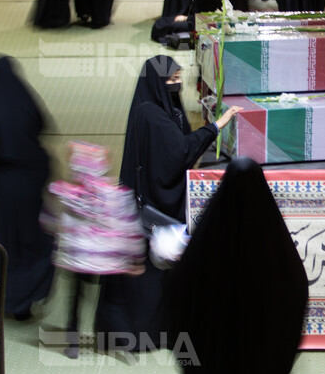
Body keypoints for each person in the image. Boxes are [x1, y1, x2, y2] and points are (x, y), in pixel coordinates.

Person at [168, 157, 309, 374]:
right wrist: (279, 358)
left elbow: (178, 303)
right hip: (260, 371)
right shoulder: (274, 251)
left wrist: (189, 363)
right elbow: (295, 297)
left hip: (213, 370)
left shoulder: (208, 246)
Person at [94, 57, 240, 352]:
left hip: (157, 200)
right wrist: (215, 127)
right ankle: (141, 334)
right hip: (153, 206)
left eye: (178, 78)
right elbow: (179, 152)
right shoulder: (151, 114)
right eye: (171, 79)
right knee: (152, 271)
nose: (177, 84)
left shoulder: (163, 109)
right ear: (158, 82)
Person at [0, 56, 55, 319]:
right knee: (29, 242)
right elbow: (41, 126)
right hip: (28, 183)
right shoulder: (25, 99)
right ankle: (23, 301)